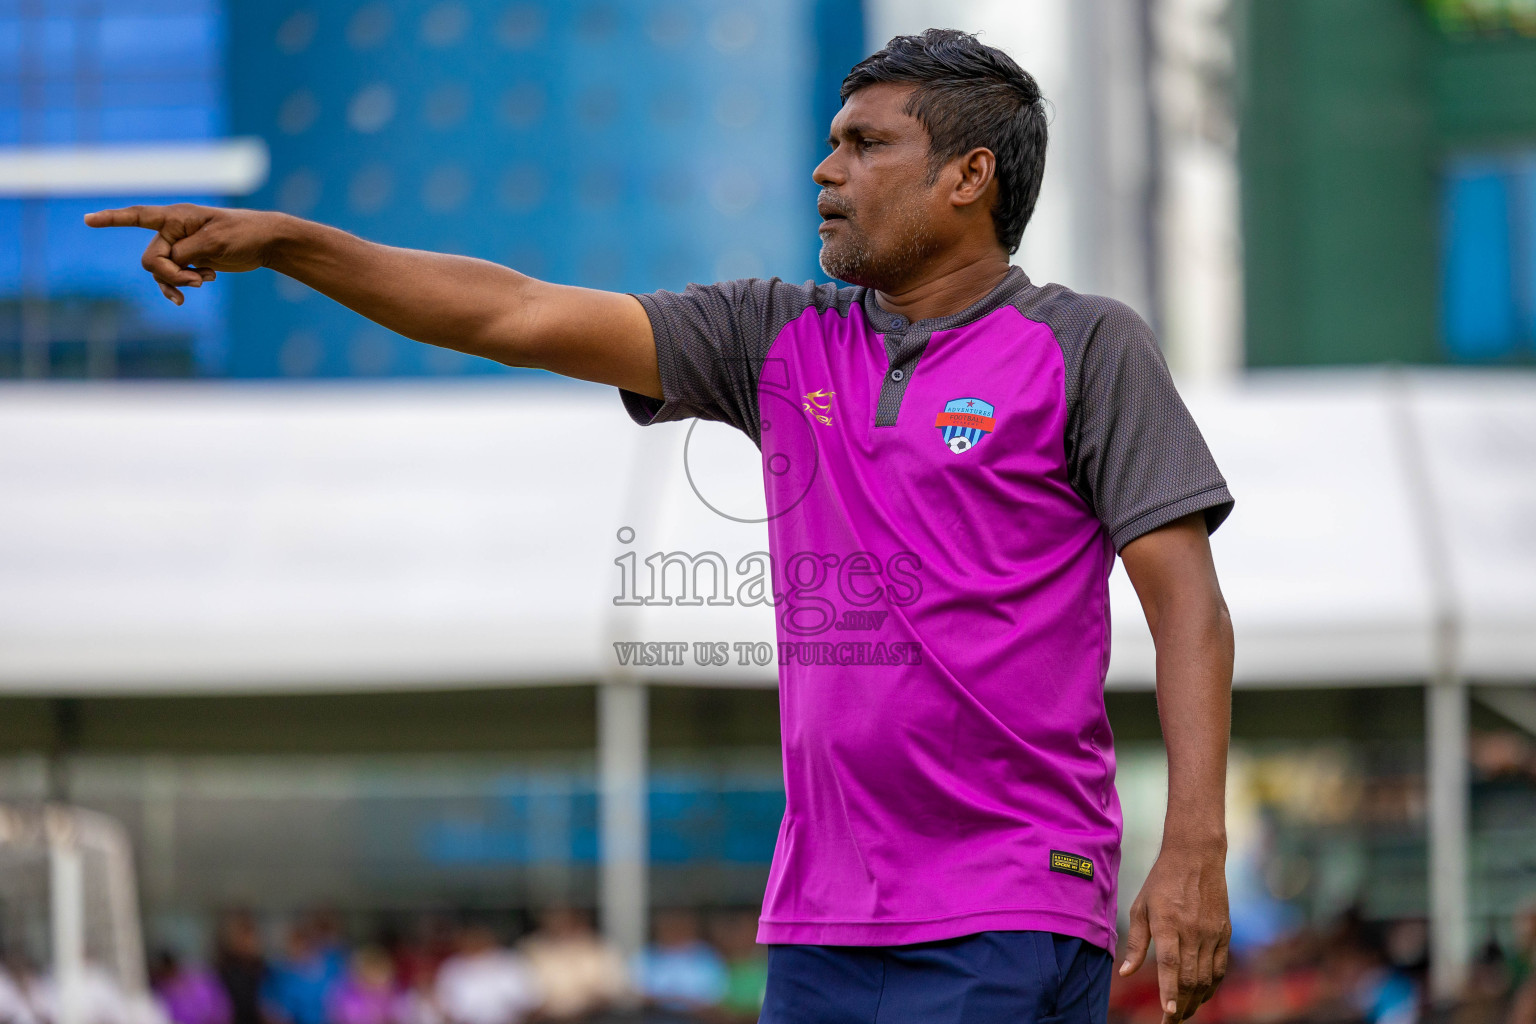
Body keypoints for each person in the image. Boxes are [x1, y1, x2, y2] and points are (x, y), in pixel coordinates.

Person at [87, 27, 1236, 1024]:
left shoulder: (1085, 346)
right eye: (833, 140)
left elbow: (1186, 604)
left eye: (867, 143)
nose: (825, 168)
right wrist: (293, 242)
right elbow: (517, 311)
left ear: (969, 177)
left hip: (1010, 896)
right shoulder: (772, 335)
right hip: (819, 920)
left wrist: (1194, 845)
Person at [514, 907, 628, 1020]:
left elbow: (612, 989)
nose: (559, 925)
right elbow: (522, 993)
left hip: (594, 1017)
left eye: (566, 921)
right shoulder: (531, 949)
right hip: (547, 1019)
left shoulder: (599, 947)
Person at [432, 924, 540, 1024]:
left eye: (478, 938)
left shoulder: (510, 961)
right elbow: (445, 1008)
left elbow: (530, 1002)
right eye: (470, 939)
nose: (474, 942)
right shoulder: (452, 967)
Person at [630, 910, 727, 1014]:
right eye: (669, 926)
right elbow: (634, 993)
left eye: (680, 925)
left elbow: (716, 996)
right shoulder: (647, 955)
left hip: (697, 1018)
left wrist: (676, 999)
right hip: (653, 1016)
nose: (675, 930)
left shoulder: (706, 955)